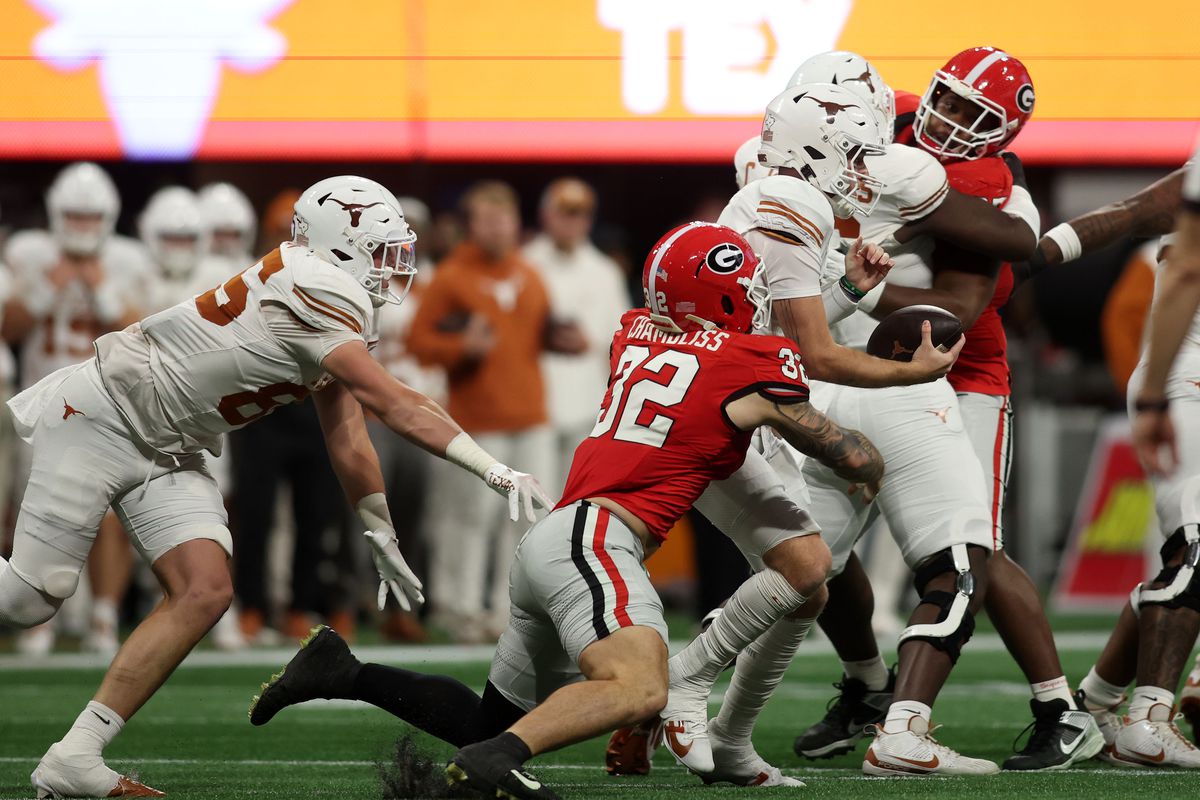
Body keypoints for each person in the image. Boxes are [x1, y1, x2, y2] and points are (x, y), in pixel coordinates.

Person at [247, 221, 884, 800]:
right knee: (640, 687)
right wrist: (879, 446)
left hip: (557, 539)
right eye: (748, 287)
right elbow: (849, 456)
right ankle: (494, 763)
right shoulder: (748, 363)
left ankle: (343, 671)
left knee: (490, 720)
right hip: (598, 542)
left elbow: (695, 353)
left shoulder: (632, 333)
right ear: (725, 297)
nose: (757, 297)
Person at [0, 175, 552, 799]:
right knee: (29, 600)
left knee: (205, 591)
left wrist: (380, 530)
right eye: (380, 245)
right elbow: (394, 401)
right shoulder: (316, 287)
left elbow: (347, 433)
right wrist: (492, 468)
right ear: (338, 243)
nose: (394, 261)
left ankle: (75, 757)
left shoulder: (329, 293)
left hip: (168, 445)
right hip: (103, 416)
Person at [796, 46, 1103, 772]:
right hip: (858, 369)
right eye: (950, 98)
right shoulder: (882, 121)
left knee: (972, 550)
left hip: (956, 372)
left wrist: (846, 289)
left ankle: (1061, 708)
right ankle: (869, 686)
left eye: (975, 114)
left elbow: (962, 305)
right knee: (814, 547)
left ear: (1001, 136)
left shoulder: (983, 180)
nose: (952, 119)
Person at [407, 180, 584, 641]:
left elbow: (538, 334)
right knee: (472, 517)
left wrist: (564, 342)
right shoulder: (450, 276)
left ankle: (508, 608)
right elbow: (417, 341)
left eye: (504, 219)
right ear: (471, 225)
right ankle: (458, 606)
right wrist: (460, 348)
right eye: (488, 219)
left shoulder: (529, 274)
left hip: (531, 415)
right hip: (477, 419)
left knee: (529, 520)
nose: (498, 228)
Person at [1071, 148, 1200, 767]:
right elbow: (1183, 266)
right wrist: (1153, 397)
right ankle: (1149, 720)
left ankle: (1095, 702)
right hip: (1189, 373)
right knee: (1198, 544)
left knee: (1185, 551)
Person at [3, 162, 152, 659]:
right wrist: (49, 285)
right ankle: (36, 619)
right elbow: (10, 329)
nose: (83, 227)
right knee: (35, 512)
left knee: (110, 512)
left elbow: (142, 333)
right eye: (75, 216)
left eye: (91, 217)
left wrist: (103, 289)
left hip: (108, 401)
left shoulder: (128, 259)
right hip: (43, 397)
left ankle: (104, 615)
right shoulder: (29, 252)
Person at [523, 178, 629, 491]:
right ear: (547, 215)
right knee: (531, 498)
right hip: (534, 406)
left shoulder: (604, 271)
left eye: (580, 214)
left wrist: (589, 343)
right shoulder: (525, 264)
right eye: (565, 213)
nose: (573, 222)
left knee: (579, 496)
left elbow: (621, 342)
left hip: (586, 404)